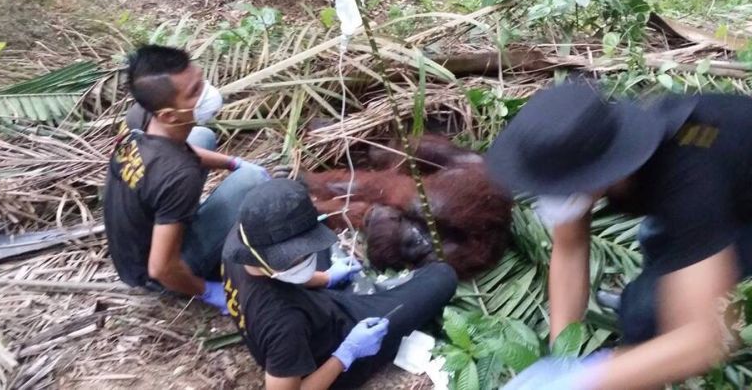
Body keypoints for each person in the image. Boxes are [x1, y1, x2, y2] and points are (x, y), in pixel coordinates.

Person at [485, 80, 752, 389]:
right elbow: (570, 248)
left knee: (643, 310)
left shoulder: (692, 182)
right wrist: (563, 354)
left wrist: (582, 381)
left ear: (604, 172)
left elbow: (701, 341)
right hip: (716, 189)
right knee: (659, 248)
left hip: (732, 197)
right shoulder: (598, 145)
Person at [221, 178, 458, 389]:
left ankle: (341, 286)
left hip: (315, 307)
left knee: (312, 234)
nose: (306, 260)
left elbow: (282, 276)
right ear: (268, 258)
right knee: (442, 277)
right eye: (298, 258)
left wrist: (326, 277)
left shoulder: (240, 244)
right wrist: (346, 355)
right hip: (336, 345)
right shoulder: (285, 325)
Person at [103, 45, 269, 313]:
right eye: (195, 92)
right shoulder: (179, 175)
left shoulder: (142, 116)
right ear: (168, 114)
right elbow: (161, 267)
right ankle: (193, 279)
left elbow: (182, 150)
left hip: (130, 248)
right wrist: (209, 291)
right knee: (251, 181)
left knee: (202, 135)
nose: (207, 93)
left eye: (201, 81)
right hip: (152, 273)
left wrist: (231, 163)